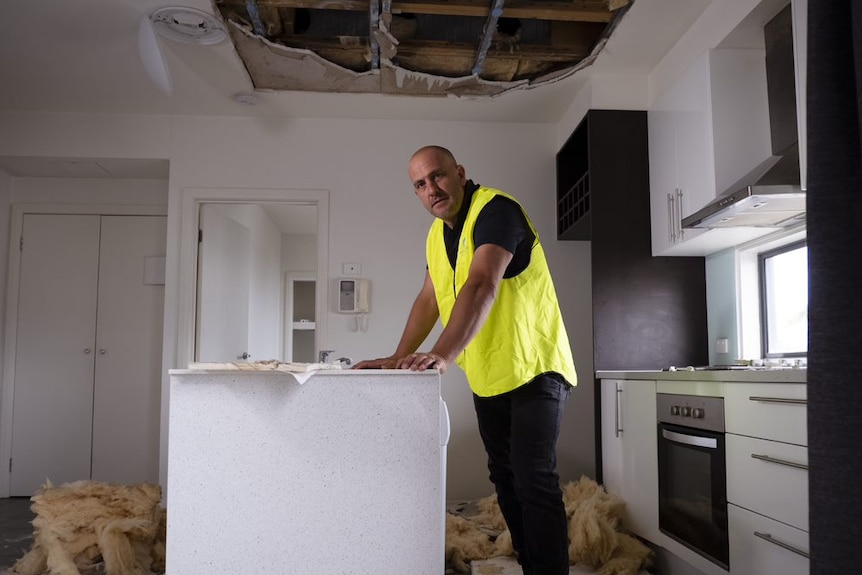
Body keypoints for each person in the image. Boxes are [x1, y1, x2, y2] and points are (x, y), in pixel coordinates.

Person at [354, 145, 577, 575]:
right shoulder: (437, 235)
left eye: (437, 176)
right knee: (507, 482)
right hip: (491, 375)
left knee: (534, 480)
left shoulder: (497, 211)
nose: (431, 189)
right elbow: (429, 299)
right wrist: (397, 357)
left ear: (458, 173)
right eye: (420, 184)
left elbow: (481, 284)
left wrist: (441, 354)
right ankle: (533, 565)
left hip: (535, 366)